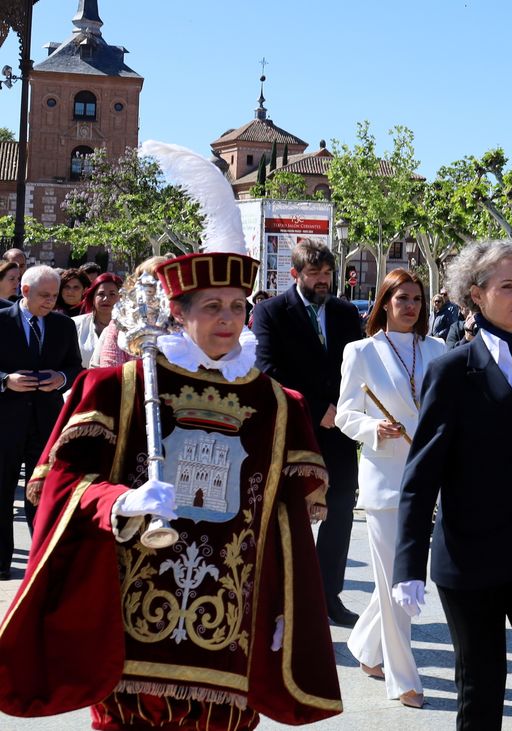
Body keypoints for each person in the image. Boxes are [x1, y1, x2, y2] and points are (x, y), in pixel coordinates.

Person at [0, 141, 342, 727]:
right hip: (134, 621)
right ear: (179, 313)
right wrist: (119, 501)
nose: (228, 319)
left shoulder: (276, 405)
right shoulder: (120, 388)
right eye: (212, 307)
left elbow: (287, 522)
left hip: (229, 628)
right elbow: (61, 485)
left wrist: (287, 606)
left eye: (237, 306)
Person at [392, 240, 512, 728]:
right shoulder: (452, 370)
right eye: (507, 286)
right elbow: (421, 474)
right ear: (476, 294)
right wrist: (408, 564)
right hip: (470, 559)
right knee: (482, 690)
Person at [336, 269, 445, 710]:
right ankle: (403, 677)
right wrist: (373, 428)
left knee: (395, 582)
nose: (410, 306)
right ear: (384, 302)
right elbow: (345, 415)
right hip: (384, 480)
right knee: (401, 582)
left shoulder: (437, 348)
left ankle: (365, 645)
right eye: (402, 298)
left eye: (417, 298)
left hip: (429, 480)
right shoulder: (360, 351)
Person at [253, 241, 365, 627]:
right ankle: (284, 595)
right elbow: (268, 370)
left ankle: (328, 595)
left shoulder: (345, 312)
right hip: (295, 430)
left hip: (340, 431)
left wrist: (345, 409)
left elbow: (357, 367)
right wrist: (316, 410)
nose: (322, 280)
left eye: (327, 273)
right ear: (295, 274)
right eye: (314, 273)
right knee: (289, 512)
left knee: (340, 511)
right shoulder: (270, 312)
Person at [0, 265, 83, 579]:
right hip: (6, 423)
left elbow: (75, 367)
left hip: (46, 423)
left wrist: (60, 378)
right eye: (44, 295)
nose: (51, 301)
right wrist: (6, 380)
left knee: (42, 493)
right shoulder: (1, 321)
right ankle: (1, 563)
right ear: (25, 291)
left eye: (54, 295)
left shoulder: (63, 325)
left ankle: (42, 562)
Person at [90, 256, 171, 370]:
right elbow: (111, 371)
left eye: (163, 284)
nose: (157, 291)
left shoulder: (187, 322)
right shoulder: (122, 325)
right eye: (149, 285)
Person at [71, 272, 123, 369]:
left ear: (121, 298)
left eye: (112, 294)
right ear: (93, 298)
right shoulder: (74, 324)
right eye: (101, 294)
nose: (106, 299)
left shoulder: (129, 328)